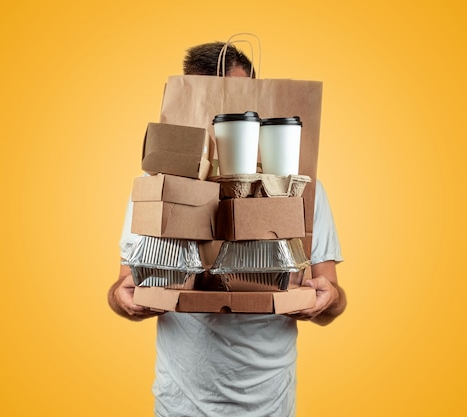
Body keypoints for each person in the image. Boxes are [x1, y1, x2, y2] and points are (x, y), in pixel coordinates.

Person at [108, 41, 347, 417]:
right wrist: (123, 299)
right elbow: (123, 286)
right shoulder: (157, 187)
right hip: (180, 404)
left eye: (238, 109)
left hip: (268, 403)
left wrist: (326, 299)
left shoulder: (300, 189)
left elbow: (334, 299)